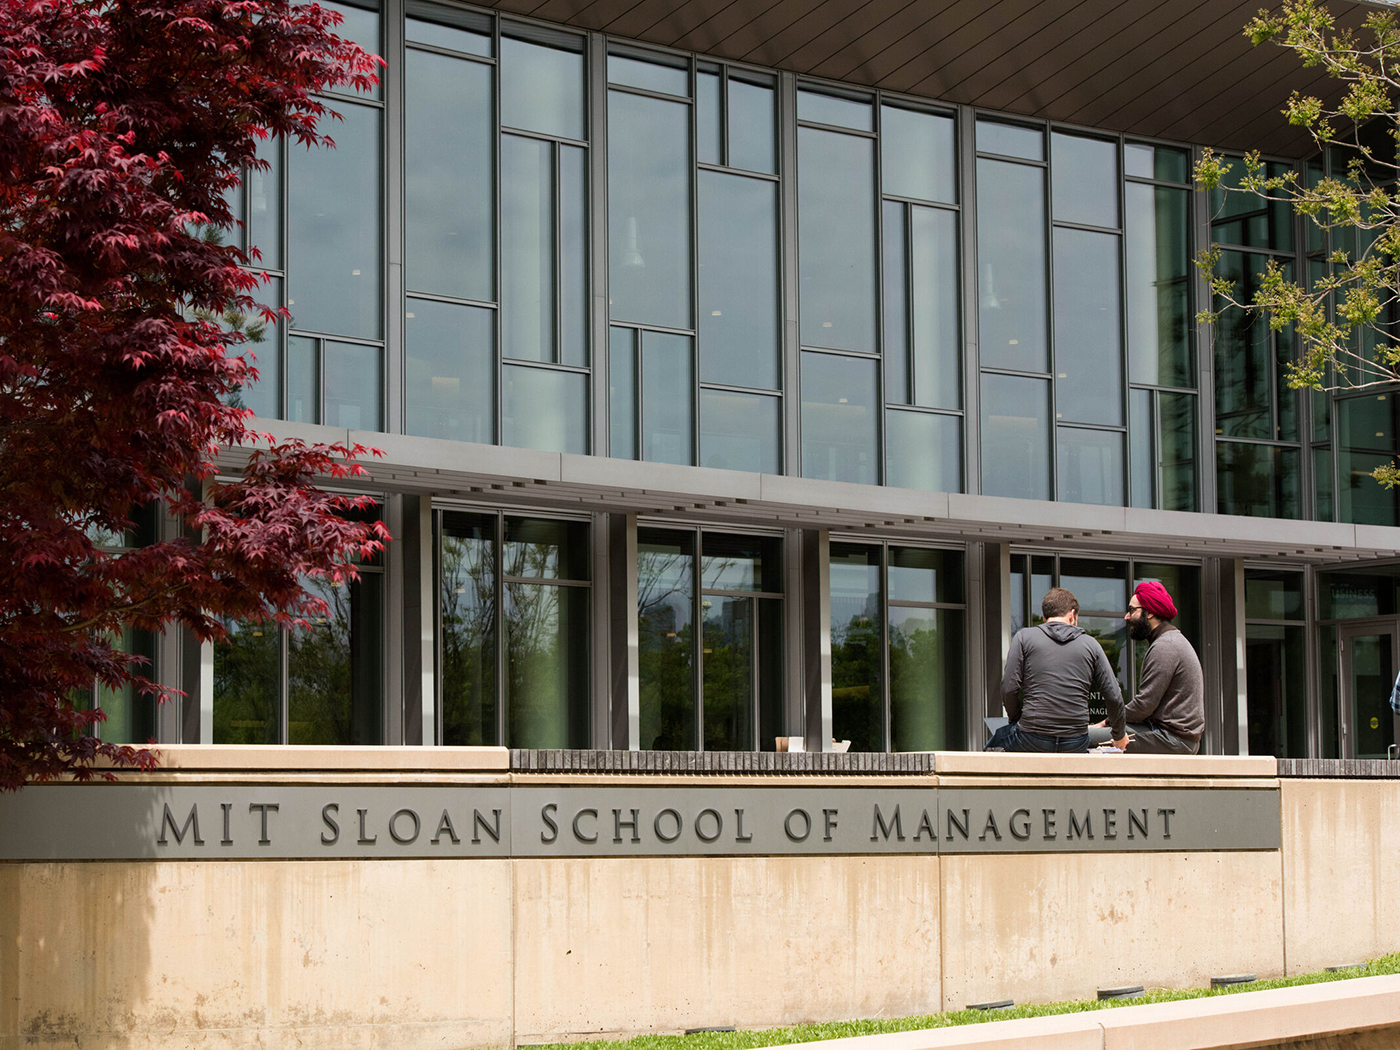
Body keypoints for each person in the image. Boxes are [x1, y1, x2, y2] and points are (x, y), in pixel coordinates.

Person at [989, 587, 1128, 752]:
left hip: (1031, 737)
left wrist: (1016, 719)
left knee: (994, 742)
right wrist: (1119, 735)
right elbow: (1113, 694)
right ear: (1072, 615)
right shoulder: (1091, 644)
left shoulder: (1024, 638)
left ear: (1044, 617)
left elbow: (1008, 688)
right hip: (1076, 741)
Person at [1117, 580, 1204, 754]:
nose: (1127, 617)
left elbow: (1144, 706)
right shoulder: (1170, 641)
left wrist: (1110, 720)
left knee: (1087, 738)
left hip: (1172, 739)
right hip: (1173, 737)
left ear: (1149, 613)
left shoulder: (1166, 646)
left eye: (1132, 610)